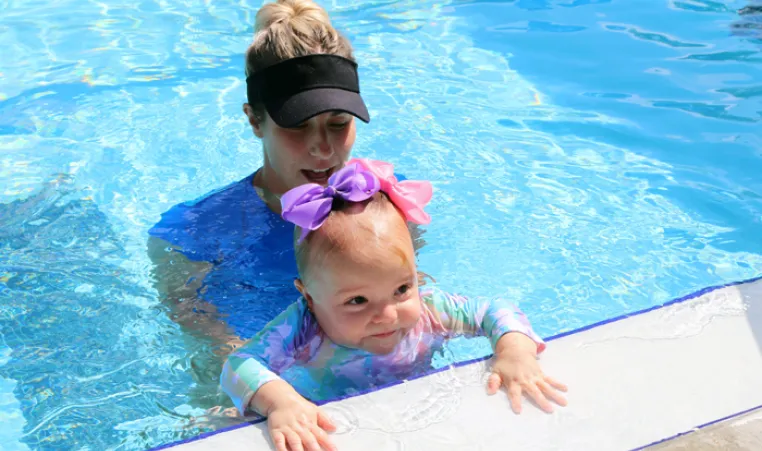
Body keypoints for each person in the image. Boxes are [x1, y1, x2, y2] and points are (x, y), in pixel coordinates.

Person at [221, 160, 568, 451]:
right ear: (310, 299)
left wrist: (514, 351)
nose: (387, 315)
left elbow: (495, 309)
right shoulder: (303, 327)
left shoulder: (431, 309)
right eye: (357, 300)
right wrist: (283, 402)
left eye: (402, 288)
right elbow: (238, 365)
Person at [146, 0, 404, 351]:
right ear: (254, 120)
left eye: (338, 123)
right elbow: (197, 330)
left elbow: (415, 299)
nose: (323, 148)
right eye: (298, 126)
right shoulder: (192, 232)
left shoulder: (383, 200)